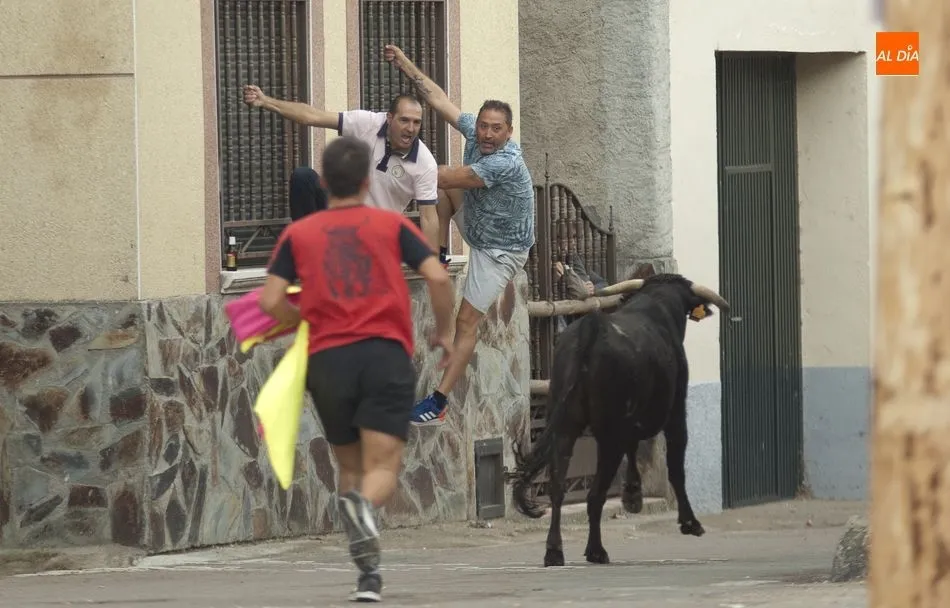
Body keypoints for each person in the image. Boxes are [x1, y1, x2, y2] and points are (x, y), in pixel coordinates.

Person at [258, 136, 456, 602]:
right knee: (382, 465)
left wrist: (302, 318)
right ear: (367, 181)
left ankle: (368, 575)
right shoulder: (390, 225)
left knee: (349, 465)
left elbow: (270, 301)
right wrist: (444, 332)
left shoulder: (298, 236)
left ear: (325, 183)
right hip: (383, 355)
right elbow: (437, 275)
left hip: (327, 362)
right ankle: (365, 509)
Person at [383, 44, 536, 426]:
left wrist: (383, 161)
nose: (487, 134)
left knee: (466, 322)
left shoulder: (505, 162)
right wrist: (405, 63)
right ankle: (436, 253)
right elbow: (438, 99)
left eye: (496, 129)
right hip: (477, 221)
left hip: (499, 251)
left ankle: (438, 401)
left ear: (509, 132)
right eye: (483, 126)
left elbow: (445, 175)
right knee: (439, 191)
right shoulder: (476, 132)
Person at [243, 85, 442, 249]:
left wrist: (432, 270)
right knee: (304, 177)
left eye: (416, 123)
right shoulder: (368, 123)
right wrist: (266, 101)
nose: (410, 128)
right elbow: (313, 116)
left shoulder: (424, 163)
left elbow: (429, 219)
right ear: (389, 118)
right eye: (404, 120)